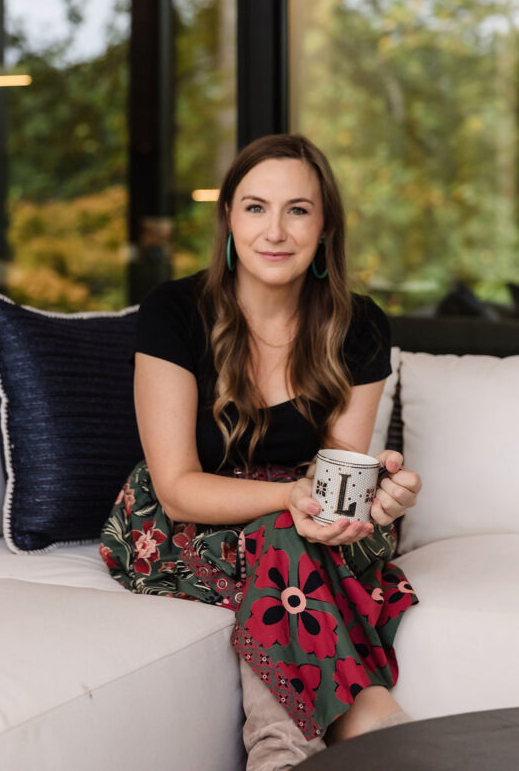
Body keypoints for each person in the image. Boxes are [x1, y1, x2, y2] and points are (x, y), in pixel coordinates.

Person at [100, 134, 421, 768]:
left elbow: (337, 484)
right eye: (255, 207)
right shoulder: (176, 311)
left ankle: (284, 755)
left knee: (295, 540)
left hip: (297, 527)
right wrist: (296, 497)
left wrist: (376, 503)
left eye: (298, 209)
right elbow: (176, 485)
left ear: (325, 225)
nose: (275, 230)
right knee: (288, 538)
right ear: (228, 219)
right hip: (181, 520)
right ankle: (376, 723)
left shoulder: (359, 325)